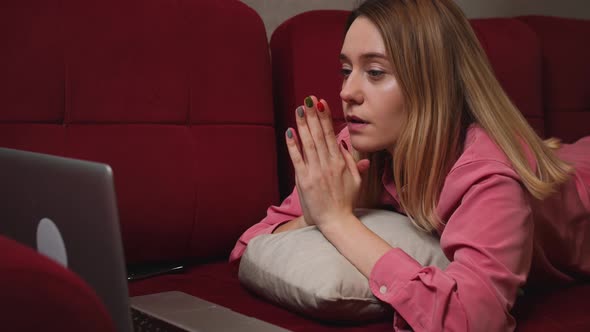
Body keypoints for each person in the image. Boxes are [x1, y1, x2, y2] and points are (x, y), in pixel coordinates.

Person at [230, 0, 590, 330]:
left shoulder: (489, 178)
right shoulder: (361, 146)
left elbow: (471, 321)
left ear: (432, 84)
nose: (346, 92)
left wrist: (338, 221)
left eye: (374, 72)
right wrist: (315, 210)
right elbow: (249, 246)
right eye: (345, 69)